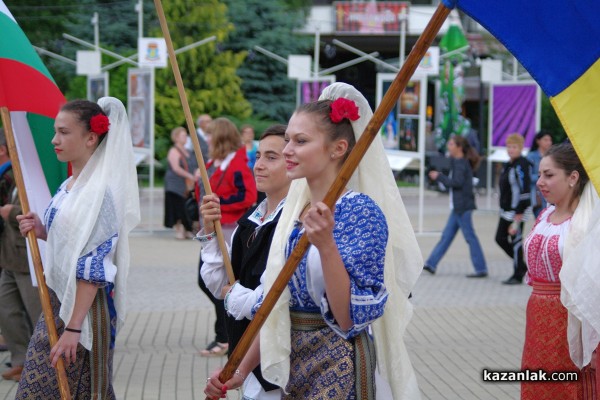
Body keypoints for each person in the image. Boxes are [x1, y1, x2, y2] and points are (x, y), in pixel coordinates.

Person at [204, 83, 422, 399]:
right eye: (289, 139)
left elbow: (347, 318)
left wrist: (326, 246)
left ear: (338, 148)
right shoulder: (294, 212)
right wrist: (239, 370)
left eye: (301, 141)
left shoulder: (359, 212)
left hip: (339, 364)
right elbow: (278, 304)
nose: (288, 149)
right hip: (297, 365)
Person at [15, 98, 140, 398]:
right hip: (60, 303)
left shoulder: (101, 193)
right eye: (56, 132)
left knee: (72, 389)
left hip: (82, 310)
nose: (54, 140)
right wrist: (42, 230)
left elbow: (94, 264)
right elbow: (72, 240)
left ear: (90, 137)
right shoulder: (72, 185)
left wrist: (73, 329)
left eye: (63, 132)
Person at [199, 124, 289, 399]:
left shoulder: (295, 223)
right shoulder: (252, 220)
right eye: (258, 156)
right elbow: (218, 283)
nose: (259, 165)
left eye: (271, 158)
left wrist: (232, 295)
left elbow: (271, 302)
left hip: (281, 369)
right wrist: (210, 231)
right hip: (247, 366)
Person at [521, 142, 597, 399]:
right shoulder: (544, 215)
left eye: (549, 175)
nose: (540, 182)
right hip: (537, 314)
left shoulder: (587, 222)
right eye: (540, 174)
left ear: (573, 177)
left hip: (570, 316)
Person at [198, 117, 257, 357]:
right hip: (214, 228)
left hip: (231, 230)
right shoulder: (216, 162)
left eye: (211, 135)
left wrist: (220, 206)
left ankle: (225, 336)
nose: (207, 139)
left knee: (221, 282)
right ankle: (225, 333)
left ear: (220, 137)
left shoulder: (238, 164)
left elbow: (249, 196)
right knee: (206, 280)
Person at [0, 128, 43, 382]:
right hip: (9, 257)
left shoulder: (31, 176)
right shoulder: (14, 175)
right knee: (7, 309)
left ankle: (41, 363)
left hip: (27, 257)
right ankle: (20, 359)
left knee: (36, 311)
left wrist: (11, 211)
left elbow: (38, 210)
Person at [423, 135, 488, 277]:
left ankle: (481, 268)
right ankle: (431, 264)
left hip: (462, 207)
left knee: (470, 237)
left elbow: (456, 182)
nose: (449, 146)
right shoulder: (459, 161)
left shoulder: (460, 163)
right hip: (459, 206)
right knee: (447, 236)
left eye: (451, 144)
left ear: (459, 148)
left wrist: (439, 177)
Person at [496, 133, 532, 285]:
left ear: (521, 148)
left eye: (514, 147)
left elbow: (524, 189)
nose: (511, 150)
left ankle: (518, 274)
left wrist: (519, 212)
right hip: (507, 210)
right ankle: (523, 267)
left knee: (516, 241)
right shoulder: (508, 164)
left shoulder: (522, 164)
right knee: (500, 238)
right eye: (509, 147)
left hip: (517, 210)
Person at [164, 126, 198, 240]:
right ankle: (179, 229)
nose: (186, 138)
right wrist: (190, 176)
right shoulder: (174, 150)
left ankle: (186, 228)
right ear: (176, 137)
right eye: (183, 135)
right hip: (175, 184)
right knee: (177, 206)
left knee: (185, 206)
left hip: (186, 184)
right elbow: (176, 168)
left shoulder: (188, 151)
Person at [526, 131, 553, 218]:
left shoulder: (554, 156)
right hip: (536, 194)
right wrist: (545, 177)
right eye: (545, 140)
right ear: (538, 141)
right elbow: (528, 176)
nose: (549, 142)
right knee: (540, 219)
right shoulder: (531, 156)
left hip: (551, 193)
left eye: (550, 140)